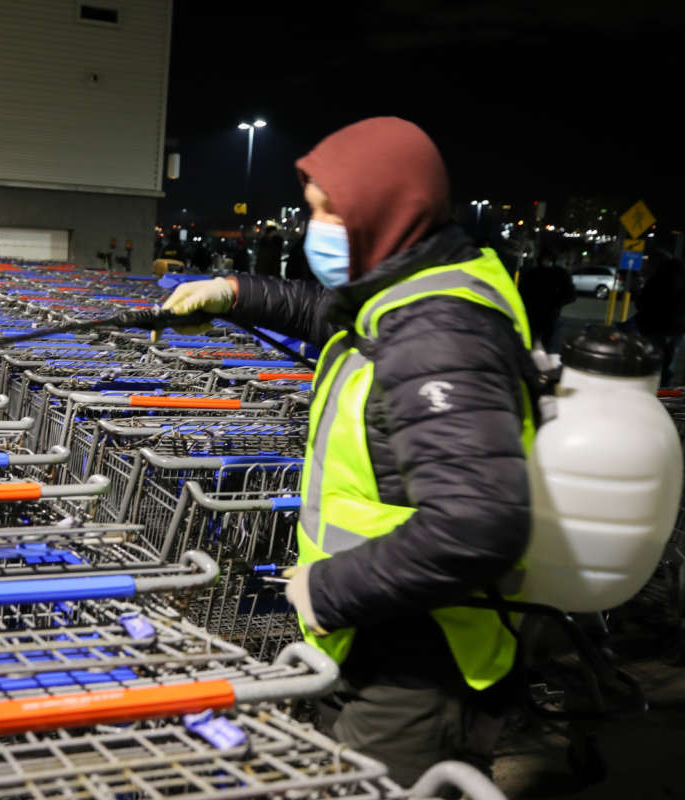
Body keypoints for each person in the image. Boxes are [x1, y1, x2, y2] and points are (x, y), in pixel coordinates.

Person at [156, 117, 532, 785]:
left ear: (382, 211)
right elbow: (320, 309)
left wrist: (327, 588)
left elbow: (479, 524)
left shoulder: (439, 332)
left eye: (327, 213)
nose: (314, 228)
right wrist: (234, 292)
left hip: (419, 655)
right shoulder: (400, 292)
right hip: (373, 629)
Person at [635, 249, 685, 386]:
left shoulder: (659, 276)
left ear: (657, 262)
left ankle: (653, 387)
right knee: (669, 361)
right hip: (678, 326)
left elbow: (646, 301)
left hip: (655, 325)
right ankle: (665, 389)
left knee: (653, 360)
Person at [518, 257, 576, 352]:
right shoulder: (559, 274)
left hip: (536, 313)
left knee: (532, 341)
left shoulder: (532, 273)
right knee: (547, 343)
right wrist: (558, 304)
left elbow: (521, 291)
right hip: (547, 314)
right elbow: (570, 295)